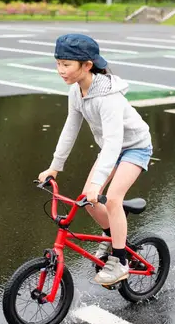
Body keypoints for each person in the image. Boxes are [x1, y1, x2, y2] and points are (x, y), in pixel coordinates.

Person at [37, 33, 153, 286]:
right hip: (111, 151)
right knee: (86, 201)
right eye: (58, 63)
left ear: (87, 65)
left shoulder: (108, 98)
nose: (60, 70)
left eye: (66, 64)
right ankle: (113, 239)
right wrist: (55, 167)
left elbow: (113, 142)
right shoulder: (76, 92)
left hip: (134, 148)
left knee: (112, 199)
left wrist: (97, 183)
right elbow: (71, 128)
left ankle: (120, 261)